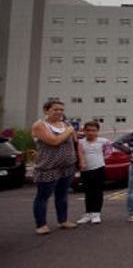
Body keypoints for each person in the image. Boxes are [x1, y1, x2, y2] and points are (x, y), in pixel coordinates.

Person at [31, 99, 79, 235]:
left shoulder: (66, 124)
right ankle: (41, 225)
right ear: (46, 110)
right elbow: (54, 141)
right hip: (48, 167)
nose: (59, 112)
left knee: (62, 195)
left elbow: (75, 140)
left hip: (67, 166)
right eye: (55, 109)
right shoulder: (40, 125)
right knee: (43, 196)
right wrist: (69, 130)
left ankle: (63, 220)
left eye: (61, 110)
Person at [76, 121, 112, 225]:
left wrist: (102, 159)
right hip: (86, 170)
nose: (91, 133)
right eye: (88, 130)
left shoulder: (103, 141)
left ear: (98, 131)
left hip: (99, 169)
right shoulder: (81, 142)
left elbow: (109, 151)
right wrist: (82, 164)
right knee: (88, 192)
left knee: (98, 192)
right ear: (84, 131)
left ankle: (96, 213)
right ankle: (88, 213)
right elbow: (80, 154)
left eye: (93, 130)